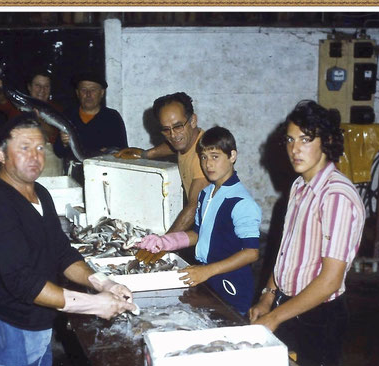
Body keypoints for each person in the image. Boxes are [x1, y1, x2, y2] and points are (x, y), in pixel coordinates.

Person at [0, 112, 136, 366]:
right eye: (24, 148)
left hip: (37, 320)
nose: (35, 156)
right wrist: (94, 304)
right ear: (1, 154)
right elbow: (23, 283)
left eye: (40, 147)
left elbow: (61, 251)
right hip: (8, 325)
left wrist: (102, 283)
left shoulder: (41, 194)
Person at [248, 100, 365, 366]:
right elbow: (286, 251)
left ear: (327, 141)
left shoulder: (336, 196)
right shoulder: (300, 186)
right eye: (290, 139)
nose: (294, 149)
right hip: (287, 307)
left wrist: (275, 317)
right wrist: (268, 295)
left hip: (319, 318)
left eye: (305, 139)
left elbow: (330, 281)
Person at [136, 126, 261, 315]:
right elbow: (198, 233)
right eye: (203, 157)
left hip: (232, 283)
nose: (208, 164)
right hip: (207, 276)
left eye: (215, 156)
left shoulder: (241, 202)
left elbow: (251, 253)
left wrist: (207, 271)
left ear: (232, 156)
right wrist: (165, 242)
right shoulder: (206, 194)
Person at [115, 92, 210, 233]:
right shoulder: (192, 140)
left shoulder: (203, 156)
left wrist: (165, 242)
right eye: (166, 129)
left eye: (178, 126)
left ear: (193, 121)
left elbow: (195, 206)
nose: (172, 135)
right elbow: (175, 145)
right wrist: (145, 154)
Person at [0, 68, 63, 176]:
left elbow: (52, 134)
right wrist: (0, 87)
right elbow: (1, 99)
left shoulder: (57, 109)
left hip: (48, 162)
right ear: (29, 87)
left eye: (46, 86)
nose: (42, 90)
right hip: (17, 160)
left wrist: (37, 117)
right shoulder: (17, 104)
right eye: (37, 85)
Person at [55, 71, 128, 160]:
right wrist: (64, 143)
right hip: (73, 170)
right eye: (83, 90)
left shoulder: (112, 117)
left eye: (93, 90)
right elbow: (58, 152)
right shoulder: (68, 115)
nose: (88, 94)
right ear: (77, 93)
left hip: (103, 171)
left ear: (102, 93)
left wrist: (107, 151)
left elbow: (123, 151)